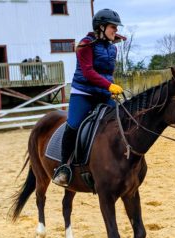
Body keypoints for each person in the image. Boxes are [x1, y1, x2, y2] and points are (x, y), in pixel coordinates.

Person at [52, 8, 124, 187]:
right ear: (101, 27)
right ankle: (64, 167)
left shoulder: (112, 49)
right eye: (112, 27)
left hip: (103, 93)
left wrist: (111, 88)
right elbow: (89, 72)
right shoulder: (85, 45)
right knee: (74, 125)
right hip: (83, 93)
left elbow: (108, 73)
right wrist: (109, 85)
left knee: (121, 121)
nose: (115, 30)